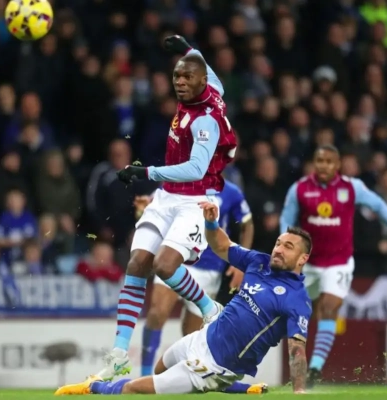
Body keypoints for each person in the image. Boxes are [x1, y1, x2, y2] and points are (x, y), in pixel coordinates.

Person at [54, 202, 312, 396]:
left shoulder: (297, 299)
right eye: (278, 243)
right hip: (204, 336)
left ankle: (93, 387)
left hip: (216, 365)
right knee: (160, 368)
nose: (278, 249)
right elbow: (222, 246)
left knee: (135, 388)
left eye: (288, 247)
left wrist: (299, 391)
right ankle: (241, 389)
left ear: (303, 258)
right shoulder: (259, 262)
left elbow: (297, 349)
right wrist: (211, 224)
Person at [96, 35, 238, 380]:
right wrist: (186, 46)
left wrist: (146, 172)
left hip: (195, 200)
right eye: (177, 76)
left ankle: (209, 307)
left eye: (187, 77)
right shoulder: (210, 86)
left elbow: (196, 168)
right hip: (166, 197)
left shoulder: (205, 120)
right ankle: (119, 355)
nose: (180, 82)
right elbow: (201, 62)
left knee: (163, 265)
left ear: (201, 82)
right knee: (137, 263)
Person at [279, 144, 387, 387]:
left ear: (338, 165)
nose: (324, 165)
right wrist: (285, 248)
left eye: (329, 161)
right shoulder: (299, 189)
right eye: (320, 161)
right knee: (295, 309)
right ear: (314, 163)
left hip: (339, 263)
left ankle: (315, 368)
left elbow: (379, 206)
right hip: (308, 263)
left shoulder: (351, 188)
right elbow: (286, 219)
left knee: (329, 307)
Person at [138, 180, 262, 394]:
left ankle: (181, 383)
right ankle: (145, 374)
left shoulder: (231, 191)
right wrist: (142, 211)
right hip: (175, 258)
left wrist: (241, 265)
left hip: (209, 268)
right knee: (157, 313)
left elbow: (247, 224)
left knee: (192, 335)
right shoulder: (176, 182)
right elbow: (152, 212)